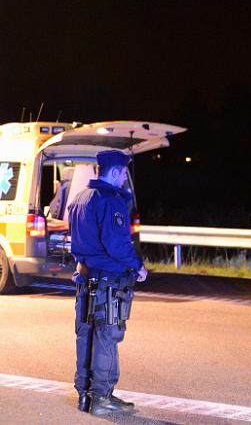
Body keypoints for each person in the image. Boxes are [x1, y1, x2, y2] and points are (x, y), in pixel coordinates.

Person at [68, 150, 147, 416]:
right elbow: (117, 245)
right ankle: (102, 398)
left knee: (86, 334)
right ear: (114, 172)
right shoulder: (111, 201)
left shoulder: (79, 199)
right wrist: (138, 266)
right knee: (107, 337)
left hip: (85, 279)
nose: (125, 177)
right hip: (108, 282)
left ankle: (84, 395)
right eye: (123, 172)